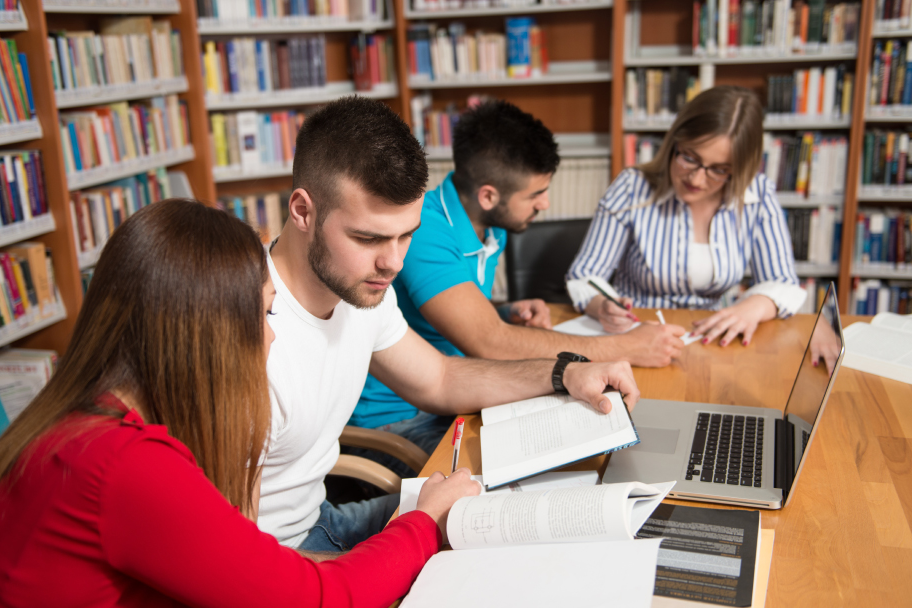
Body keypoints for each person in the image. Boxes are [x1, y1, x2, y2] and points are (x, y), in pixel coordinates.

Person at [0, 199, 483, 608]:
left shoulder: (84, 426)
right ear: (209, 336)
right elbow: (318, 606)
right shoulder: (124, 465)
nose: (272, 335)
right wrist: (422, 522)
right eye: (266, 313)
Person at [260, 96, 641, 553]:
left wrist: (564, 373)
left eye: (407, 234)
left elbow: (438, 377)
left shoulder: (361, 289)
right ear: (302, 211)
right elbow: (233, 564)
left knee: (534, 512)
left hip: (322, 518)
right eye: (368, 238)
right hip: (280, 554)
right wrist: (417, 528)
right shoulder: (243, 328)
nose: (395, 262)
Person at [351, 100, 684, 460]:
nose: (545, 203)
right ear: (489, 196)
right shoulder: (423, 230)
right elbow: (490, 342)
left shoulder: (492, 225)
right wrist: (630, 347)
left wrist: (503, 310)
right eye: (536, 194)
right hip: (399, 420)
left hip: (456, 394)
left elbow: (457, 312)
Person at [567, 85, 807, 347]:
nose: (696, 178)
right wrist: (603, 306)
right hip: (637, 338)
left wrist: (753, 307)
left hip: (712, 342)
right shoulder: (631, 186)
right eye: (690, 157)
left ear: (739, 169)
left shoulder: (757, 194)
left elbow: (783, 283)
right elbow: (584, 276)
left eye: (719, 169)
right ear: (674, 142)